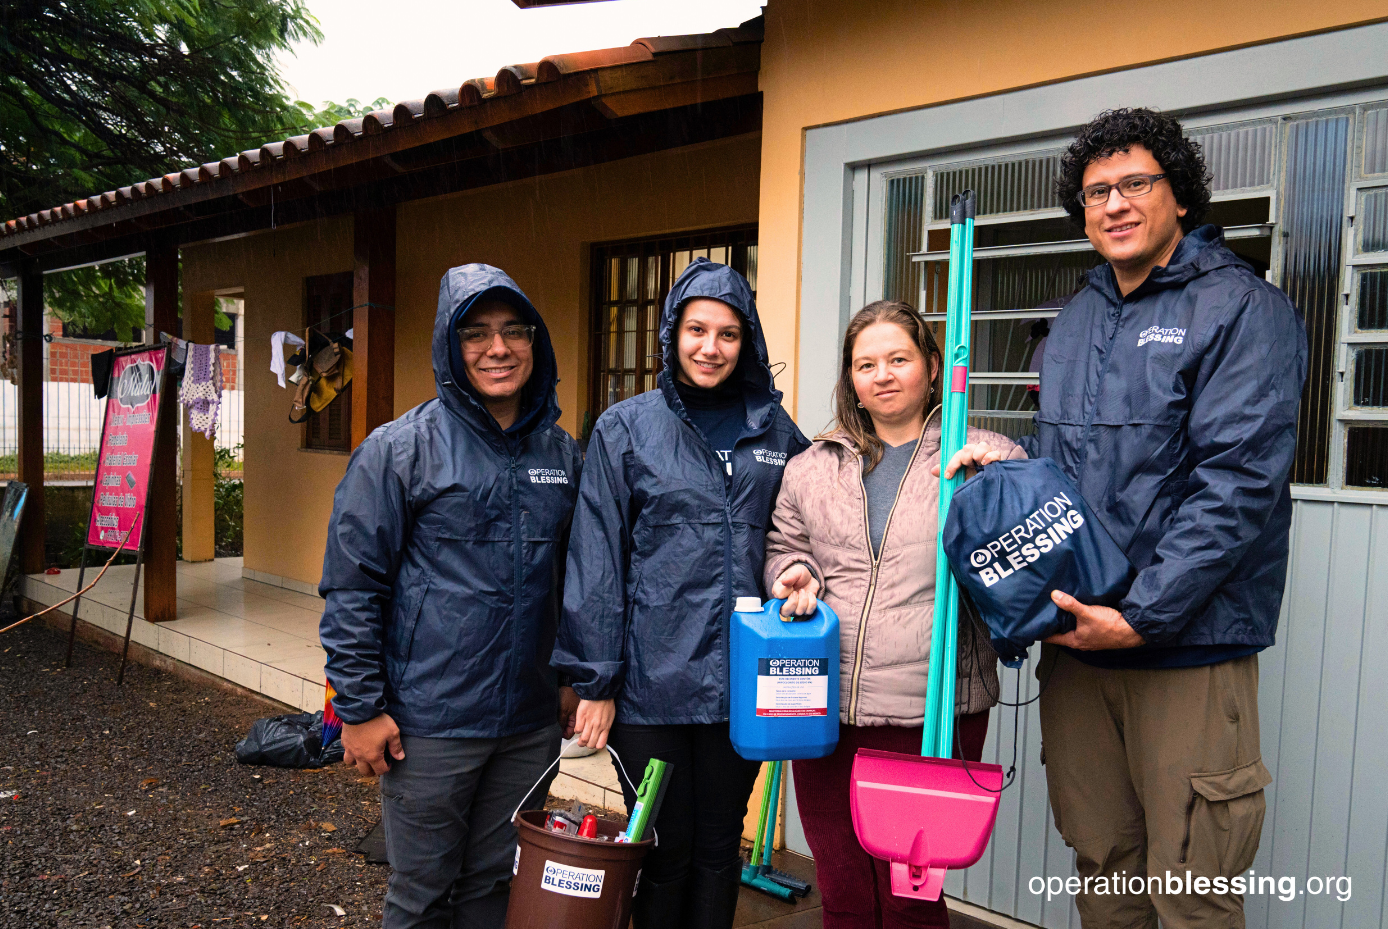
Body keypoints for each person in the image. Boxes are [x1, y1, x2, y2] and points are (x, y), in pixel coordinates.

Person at [947, 108, 1308, 928]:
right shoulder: (1075, 319)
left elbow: (1237, 486)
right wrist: (1017, 466)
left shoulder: (1241, 309)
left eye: (1134, 183)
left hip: (1184, 645)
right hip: (1078, 647)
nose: (1112, 203)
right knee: (1103, 867)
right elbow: (1067, 474)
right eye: (1095, 191)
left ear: (1179, 194)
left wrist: (1139, 617)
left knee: (1191, 887)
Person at [319, 264, 582, 929]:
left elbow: (580, 578)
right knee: (422, 895)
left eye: (513, 331)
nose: (498, 348)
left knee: (494, 885)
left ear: (535, 341)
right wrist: (359, 708)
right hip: (431, 721)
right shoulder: (399, 450)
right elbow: (353, 586)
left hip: (528, 722)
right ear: (449, 346)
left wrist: (574, 678)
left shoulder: (561, 453)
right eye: (476, 333)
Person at [552, 258, 809, 929]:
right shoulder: (627, 427)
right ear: (672, 334)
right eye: (697, 329)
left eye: (728, 333)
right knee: (664, 846)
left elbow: (814, 526)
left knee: (722, 846)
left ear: (746, 340)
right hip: (649, 687)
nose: (711, 347)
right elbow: (596, 559)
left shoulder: (777, 433)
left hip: (741, 684)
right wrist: (597, 680)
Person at [764, 300, 1022, 929]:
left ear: (932, 367)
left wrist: (1000, 490)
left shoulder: (983, 455)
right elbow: (785, 550)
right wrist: (792, 577)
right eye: (866, 364)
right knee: (841, 879)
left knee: (910, 891)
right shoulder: (812, 466)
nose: (882, 375)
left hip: (929, 705)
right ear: (850, 378)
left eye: (899, 359)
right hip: (823, 708)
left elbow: (1029, 551)